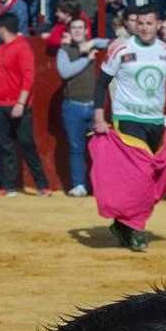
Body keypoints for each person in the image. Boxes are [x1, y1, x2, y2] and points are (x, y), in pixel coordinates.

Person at [93, 3, 166, 250]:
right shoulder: (120, 50)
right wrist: (99, 117)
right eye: (141, 23)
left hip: (155, 121)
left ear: (158, 25)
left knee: (146, 177)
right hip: (126, 118)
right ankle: (137, 229)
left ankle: (122, 223)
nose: (145, 28)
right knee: (141, 175)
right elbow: (101, 84)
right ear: (134, 24)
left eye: (150, 23)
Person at [0, 13, 52, 196]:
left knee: (27, 144)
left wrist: (20, 102)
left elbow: (29, 77)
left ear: (2, 28)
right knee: (5, 145)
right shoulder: (0, 48)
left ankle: (42, 185)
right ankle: (9, 186)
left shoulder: (22, 48)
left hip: (18, 104)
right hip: (0, 103)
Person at [56, 15, 108, 196]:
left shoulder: (95, 46)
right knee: (76, 147)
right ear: (69, 32)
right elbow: (64, 72)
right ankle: (79, 184)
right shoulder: (64, 50)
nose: (77, 31)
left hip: (95, 106)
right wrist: (86, 59)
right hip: (73, 106)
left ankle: (100, 184)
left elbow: (117, 42)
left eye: (81, 27)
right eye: (74, 28)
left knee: (100, 149)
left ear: (86, 30)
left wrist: (92, 42)